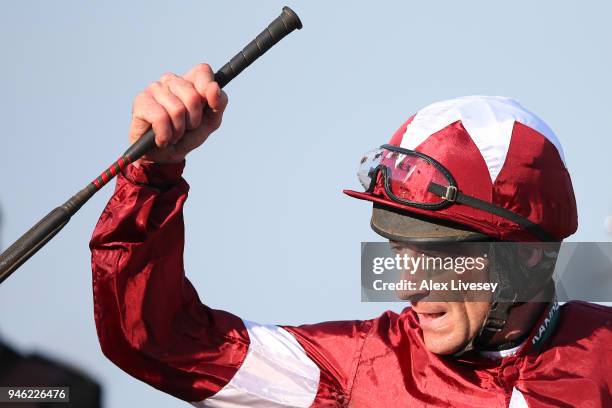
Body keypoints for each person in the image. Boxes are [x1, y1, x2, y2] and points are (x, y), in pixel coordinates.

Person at [90, 64, 612, 407]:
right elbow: (156, 341)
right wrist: (152, 176)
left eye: (439, 257)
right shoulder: (360, 367)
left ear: (530, 259)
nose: (407, 284)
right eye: (398, 249)